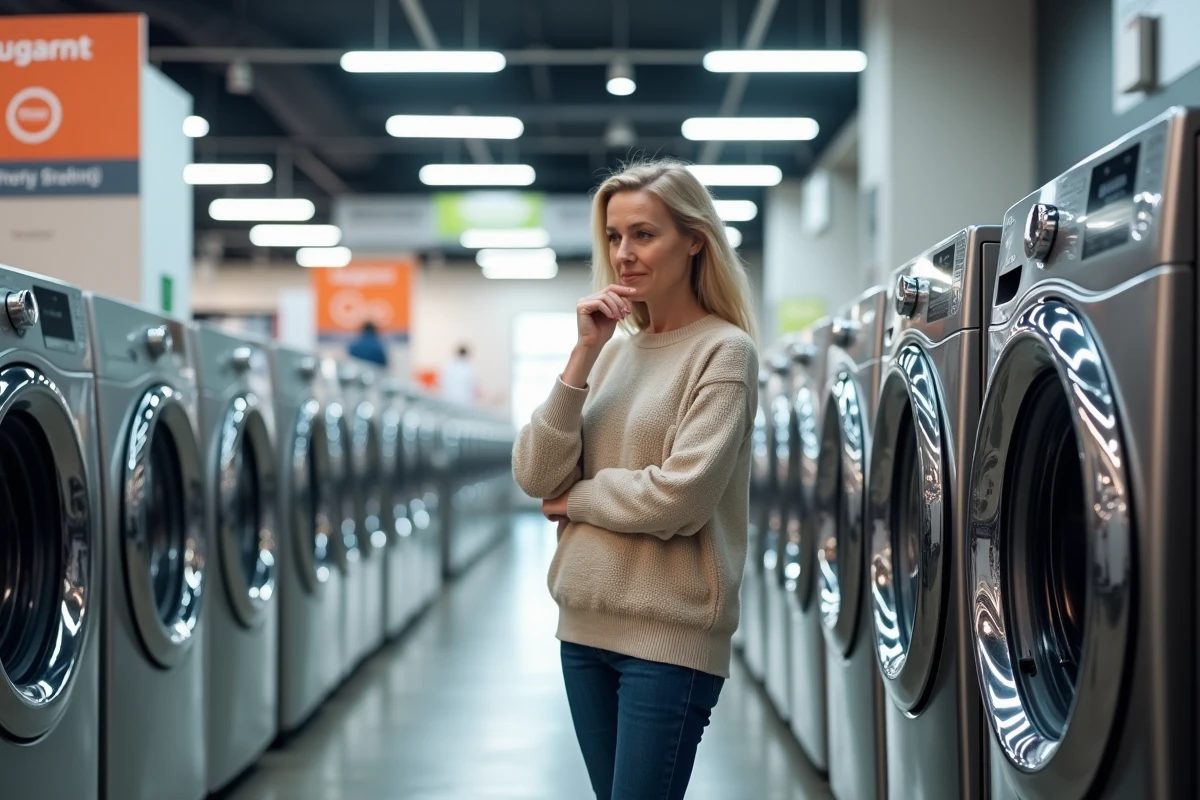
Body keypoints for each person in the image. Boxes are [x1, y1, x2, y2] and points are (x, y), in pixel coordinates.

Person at [511, 158, 759, 800]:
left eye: (644, 234)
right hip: (582, 629)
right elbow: (535, 473)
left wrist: (579, 500)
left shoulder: (724, 351)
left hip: (667, 638)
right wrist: (582, 355)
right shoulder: (614, 351)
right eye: (615, 237)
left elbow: (682, 496)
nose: (624, 254)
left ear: (694, 239)